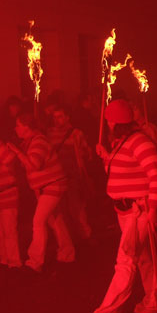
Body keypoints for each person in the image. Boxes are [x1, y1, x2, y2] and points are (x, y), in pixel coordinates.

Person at [88, 99, 157, 313]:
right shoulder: (123, 142)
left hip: (138, 212)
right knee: (143, 258)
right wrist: (106, 157)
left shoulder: (140, 142)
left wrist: (152, 210)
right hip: (124, 211)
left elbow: (156, 175)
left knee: (125, 262)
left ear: (115, 122)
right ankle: (153, 301)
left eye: (109, 120)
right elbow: (121, 171)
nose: (107, 123)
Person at [7, 113, 75, 273]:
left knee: (38, 222)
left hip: (52, 186)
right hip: (45, 187)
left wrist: (17, 152)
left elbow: (34, 165)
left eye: (18, 125)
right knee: (55, 221)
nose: (15, 128)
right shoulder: (29, 142)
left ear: (27, 127)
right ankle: (67, 253)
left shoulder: (39, 141)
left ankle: (35, 261)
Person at [47, 105, 93, 240]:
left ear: (67, 117)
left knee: (76, 208)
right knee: (60, 210)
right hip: (56, 178)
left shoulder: (76, 133)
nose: (57, 120)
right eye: (54, 117)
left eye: (60, 117)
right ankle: (69, 238)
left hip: (72, 176)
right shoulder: (49, 133)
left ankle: (85, 235)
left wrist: (82, 154)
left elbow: (87, 153)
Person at [0, 139, 21, 268]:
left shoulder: (1, 149)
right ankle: (3, 260)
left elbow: (12, 161)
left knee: (9, 230)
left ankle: (14, 262)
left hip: (7, 193)